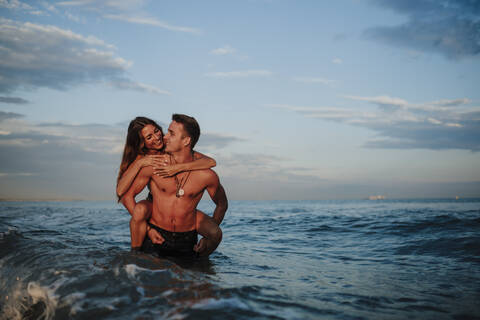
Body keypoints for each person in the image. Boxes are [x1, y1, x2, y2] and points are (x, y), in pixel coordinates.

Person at [121, 114, 228, 257]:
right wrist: (147, 229)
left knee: (215, 234)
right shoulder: (154, 165)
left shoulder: (207, 175)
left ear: (186, 141)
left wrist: (207, 239)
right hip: (156, 234)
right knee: (140, 210)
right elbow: (126, 195)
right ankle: (133, 257)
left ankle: (202, 263)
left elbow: (222, 204)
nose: (164, 137)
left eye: (171, 133)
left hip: (187, 240)